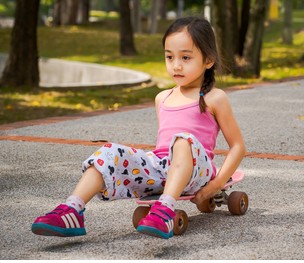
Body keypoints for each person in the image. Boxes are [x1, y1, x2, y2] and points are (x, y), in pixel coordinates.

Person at [31, 16, 245, 239]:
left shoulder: (215, 97)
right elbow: (163, 148)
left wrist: (216, 185)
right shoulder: (162, 98)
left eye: (186, 57)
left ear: (208, 60)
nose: (176, 65)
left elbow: (238, 146)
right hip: (162, 169)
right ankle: (72, 210)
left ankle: (164, 211)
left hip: (198, 170)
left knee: (183, 141)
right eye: (169, 57)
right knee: (109, 151)